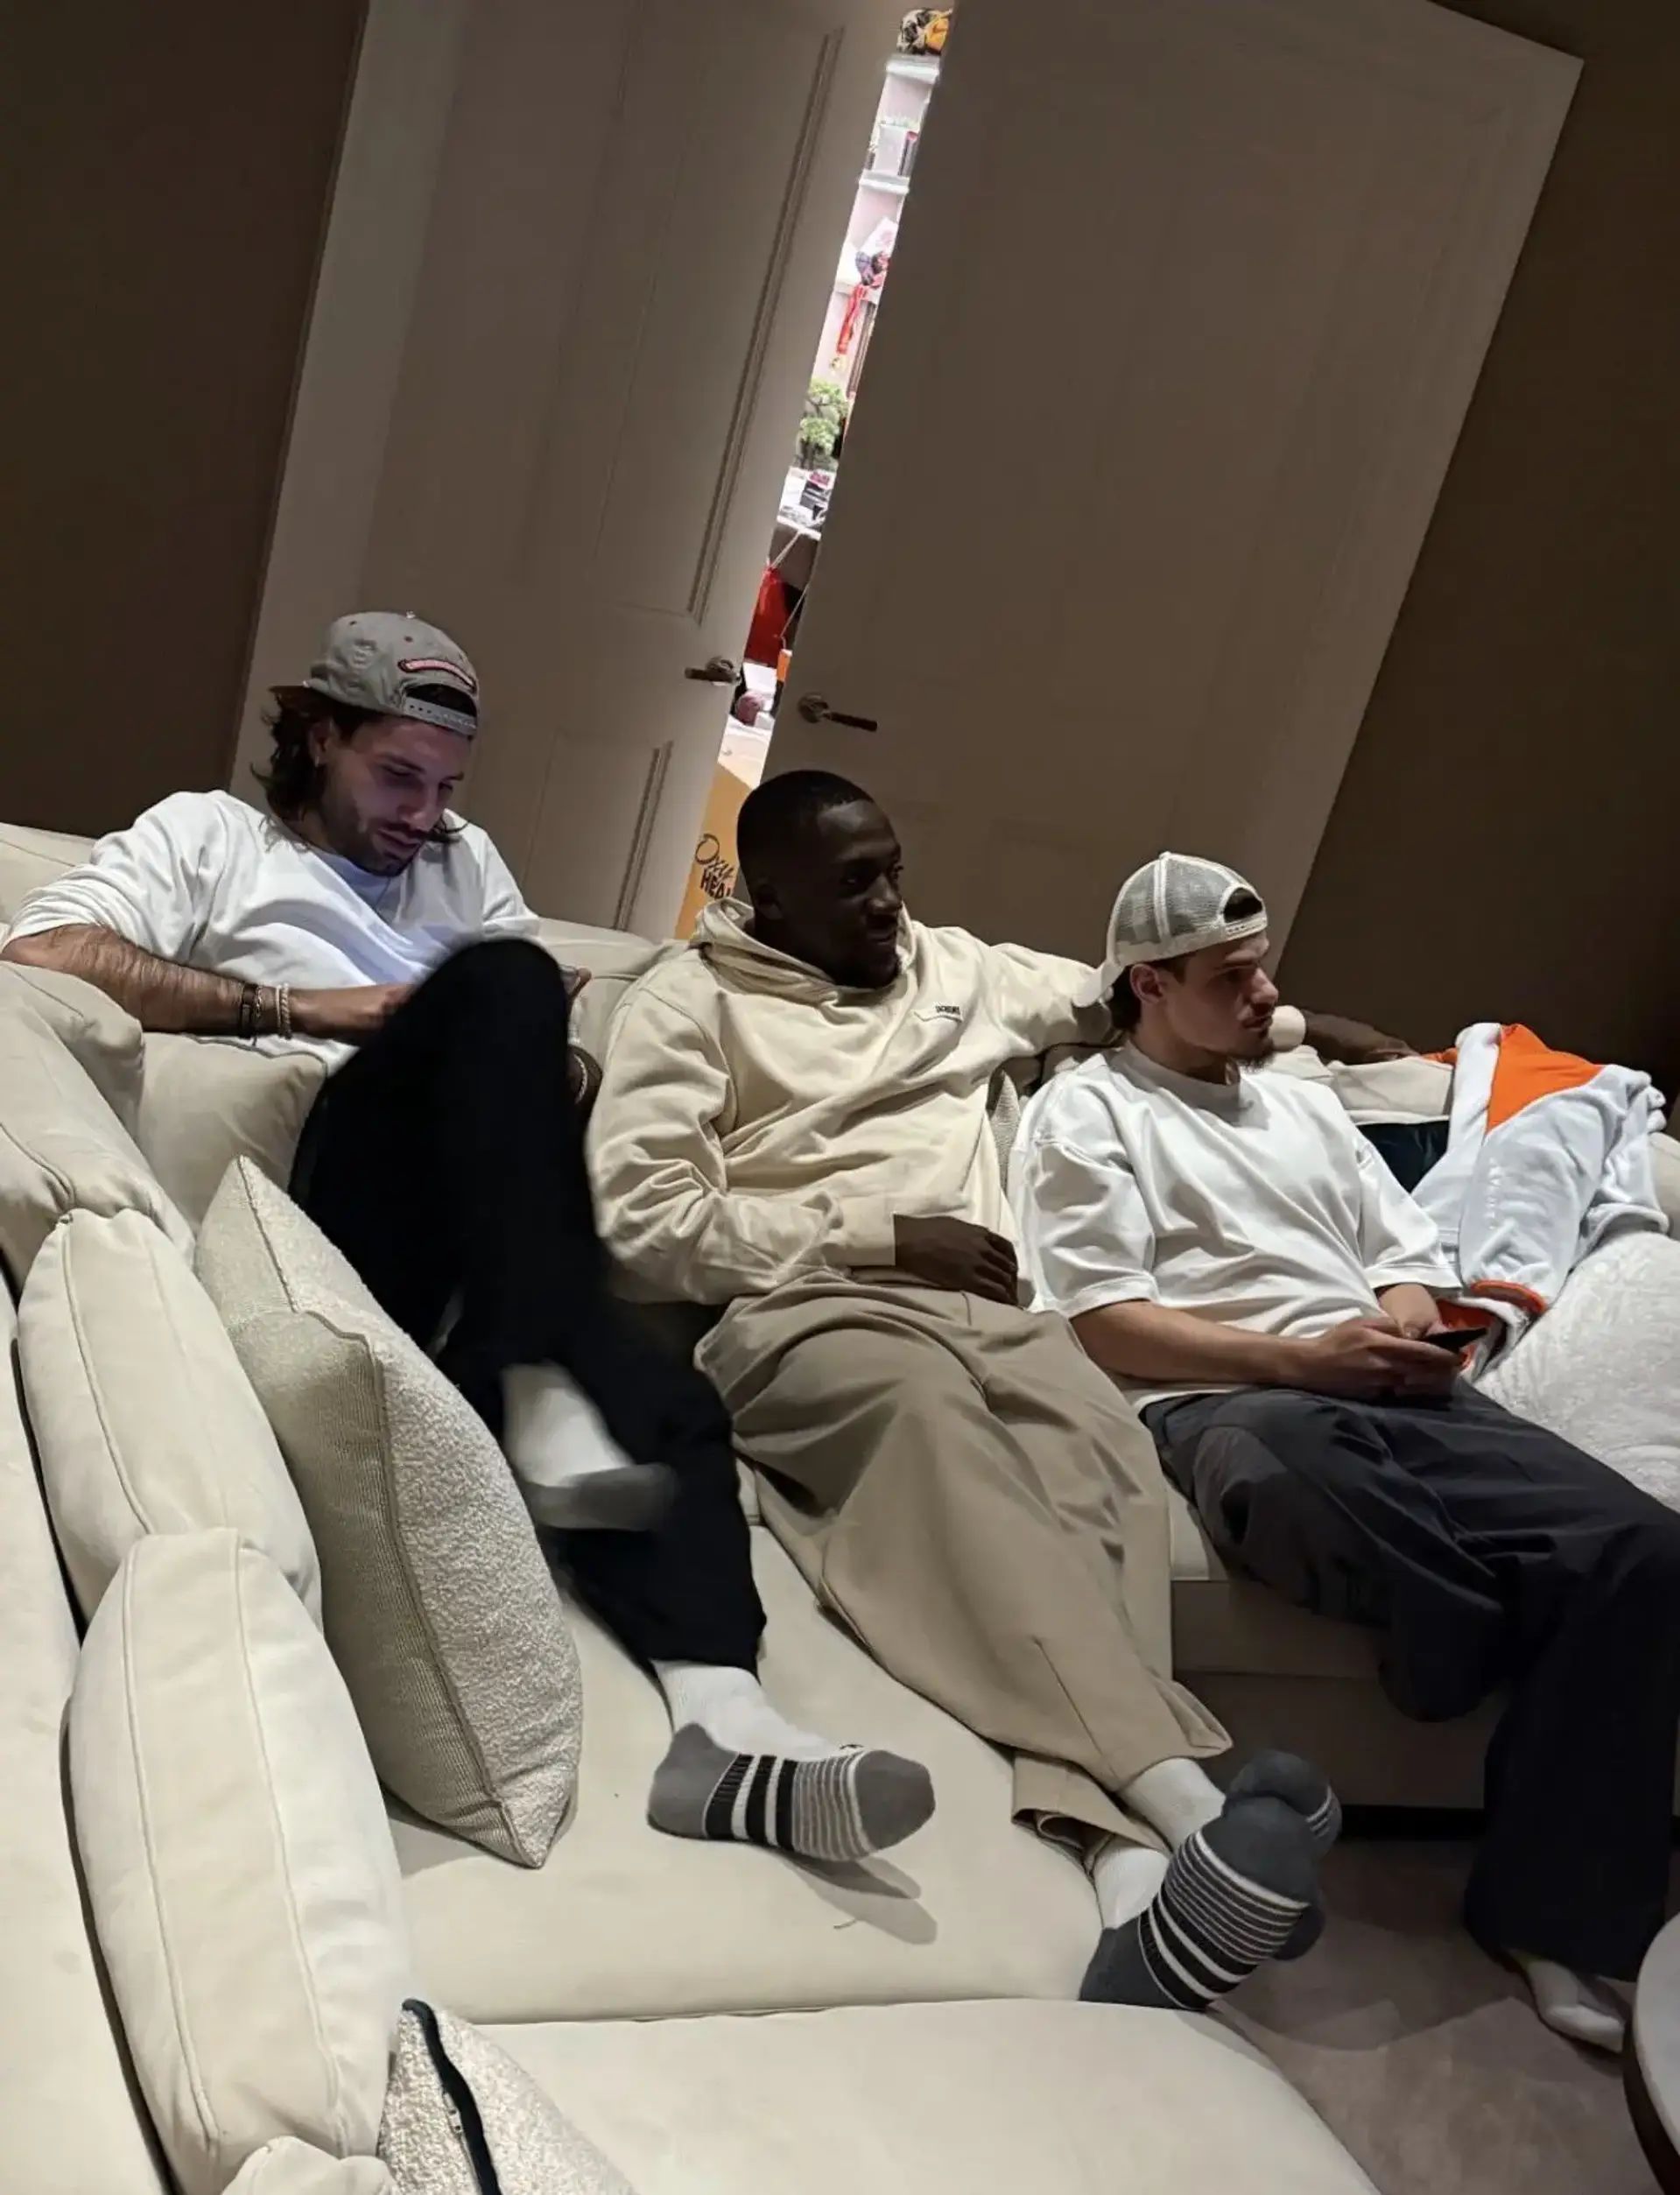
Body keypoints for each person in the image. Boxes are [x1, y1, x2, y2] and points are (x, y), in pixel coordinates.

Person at [1, 612, 933, 1868]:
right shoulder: (210, 839)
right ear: (318, 738)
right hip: (337, 1205)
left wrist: (562, 1071)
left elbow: (547, 1040)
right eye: (399, 777)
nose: (426, 815)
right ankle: (540, 1374)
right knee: (499, 980)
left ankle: (726, 1732)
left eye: (447, 786)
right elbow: (42, 951)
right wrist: (309, 1006)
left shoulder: (465, 859)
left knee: (667, 1405)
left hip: (479, 1255)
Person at [589, 769, 1340, 2012]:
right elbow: (643, 1224)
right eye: (853, 884)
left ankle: (1133, 1883)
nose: (889, 902)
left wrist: (1317, 1030)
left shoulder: (960, 969)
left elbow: (1132, 989)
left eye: (892, 870)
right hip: (813, 1311)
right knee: (938, 1442)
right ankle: (1189, 1802)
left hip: (1003, 1320)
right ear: (769, 895)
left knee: (1105, 1475)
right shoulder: (690, 1003)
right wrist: (884, 1236)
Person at [1009, 849, 1680, 2051]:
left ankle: (1555, 1921)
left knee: (1647, 1548)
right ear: (1150, 985)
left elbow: (1406, 1259)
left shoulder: (1302, 1102)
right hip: (1230, 1398)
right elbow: (1101, 1319)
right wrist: (1304, 1361)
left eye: (1262, 969)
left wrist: (1408, 1331)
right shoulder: (1089, 1112)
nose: (1267, 996)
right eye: (1232, 978)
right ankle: (1464, 1640)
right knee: (1286, 1473)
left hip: (1392, 1390)